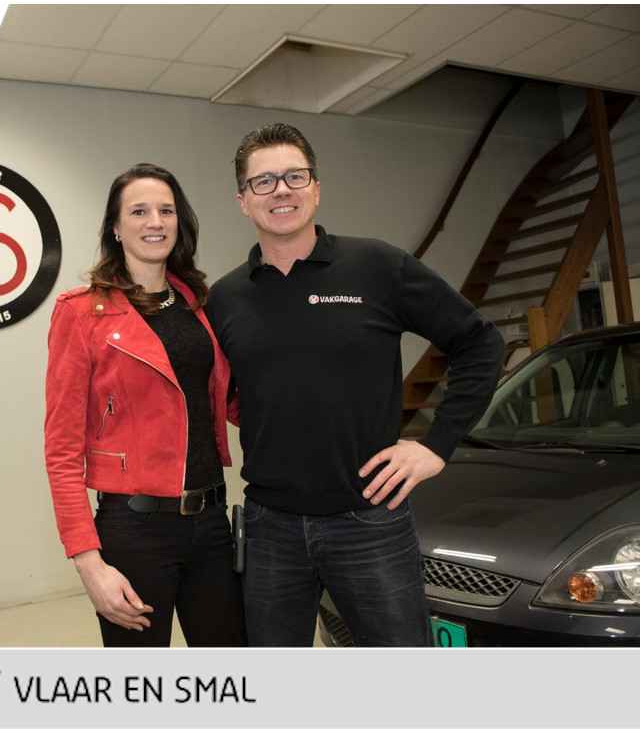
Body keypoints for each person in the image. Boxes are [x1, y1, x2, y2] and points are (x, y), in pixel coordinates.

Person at [206, 123, 505, 646]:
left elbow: (480, 342)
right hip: (270, 527)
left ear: (316, 188)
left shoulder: (377, 266)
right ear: (243, 200)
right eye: (264, 181)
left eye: (295, 176)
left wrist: (436, 444)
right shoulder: (226, 298)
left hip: (369, 521)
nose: (281, 190)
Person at [44, 163, 245, 647]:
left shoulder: (200, 304)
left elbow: (232, 402)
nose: (155, 222)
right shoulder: (81, 312)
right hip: (134, 531)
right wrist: (89, 563)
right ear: (116, 227)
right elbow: (62, 451)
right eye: (139, 211)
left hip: (211, 522)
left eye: (166, 211)